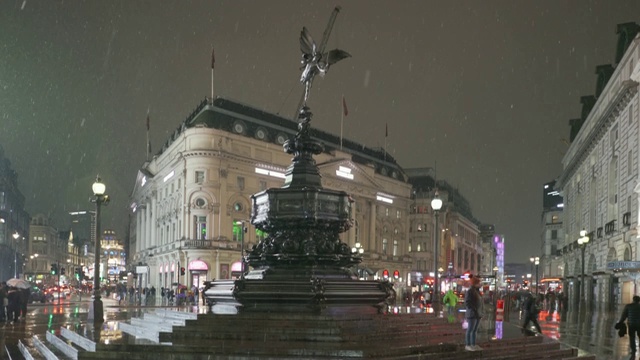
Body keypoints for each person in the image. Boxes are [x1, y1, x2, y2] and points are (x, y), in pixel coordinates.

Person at [464, 275, 483, 351]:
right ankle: (468, 345)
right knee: (470, 330)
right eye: (479, 283)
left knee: (474, 330)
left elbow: (480, 303)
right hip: (472, 314)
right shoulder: (470, 291)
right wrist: (474, 309)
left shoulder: (477, 291)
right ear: (475, 284)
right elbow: (467, 303)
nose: (480, 284)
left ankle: (473, 344)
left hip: (477, 313)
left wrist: (480, 311)